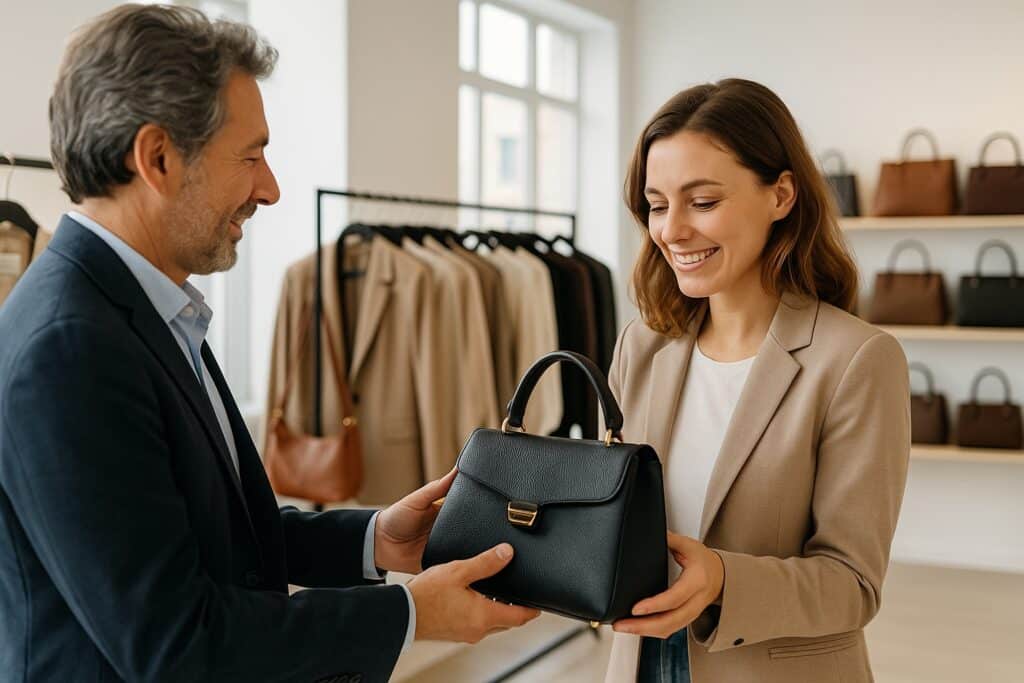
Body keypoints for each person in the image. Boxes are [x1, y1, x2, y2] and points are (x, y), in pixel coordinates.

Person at [0, 5, 537, 682]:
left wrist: (375, 538)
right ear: (157, 157)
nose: (271, 188)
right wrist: (413, 614)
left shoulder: (139, 309)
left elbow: (209, 536)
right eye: (251, 156)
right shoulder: (70, 347)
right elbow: (177, 643)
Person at [603, 79, 911, 682]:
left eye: (704, 201)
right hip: (638, 664)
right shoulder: (641, 347)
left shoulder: (857, 359)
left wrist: (722, 579)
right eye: (658, 204)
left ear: (781, 195)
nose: (671, 231)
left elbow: (853, 585)